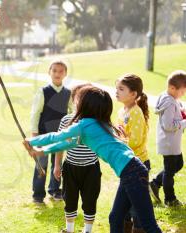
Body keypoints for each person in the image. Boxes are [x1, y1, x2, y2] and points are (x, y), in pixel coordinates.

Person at [23, 86, 162, 233]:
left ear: (85, 104)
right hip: (131, 171)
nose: (75, 101)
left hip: (132, 172)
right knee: (115, 218)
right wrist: (41, 151)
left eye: (78, 99)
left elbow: (56, 136)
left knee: (148, 224)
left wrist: (32, 141)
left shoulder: (85, 125)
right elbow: (68, 143)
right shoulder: (96, 124)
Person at [54, 83, 100, 233]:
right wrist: (56, 166)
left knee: (90, 200)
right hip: (70, 167)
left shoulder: (96, 121)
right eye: (80, 98)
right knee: (70, 200)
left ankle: (87, 230)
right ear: (74, 100)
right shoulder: (66, 120)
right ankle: (69, 230)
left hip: (91, 168)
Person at [30, 60, 71, 203]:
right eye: (54, 71)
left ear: (65, 73)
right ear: (49, 72)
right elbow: (35, 114)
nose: (57, 74)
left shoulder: (68, 93)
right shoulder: (43, 91)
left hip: (61, 134)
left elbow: (72, 113)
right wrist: (34, 136)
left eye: (61, 71)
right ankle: (38, 194)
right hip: (43, 134)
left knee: (57, 163)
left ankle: (54, 189)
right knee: (41, 163)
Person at [116, 74, 150, 233]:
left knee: (137, 205)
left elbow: (135, 140)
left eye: (121, 89)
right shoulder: (122, 111)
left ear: (133, 94)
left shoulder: (136, 112)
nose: (117, 91)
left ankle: (139, 229)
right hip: (126, 164)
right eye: (116, 88)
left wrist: (119, 140)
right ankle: (125, 227)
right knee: (125, 203)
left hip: (138, 164)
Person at [149, 70, 186, 207]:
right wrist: (184, 122)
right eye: (182, 92)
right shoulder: (168, 102)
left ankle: (154, 183)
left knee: (178, 164)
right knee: (169, 172)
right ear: (172, 88)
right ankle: (170, 199)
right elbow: (169, 125)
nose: (183, 95)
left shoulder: (171, 99)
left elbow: (177, 112)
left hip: (173, 142)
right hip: (168, 142)